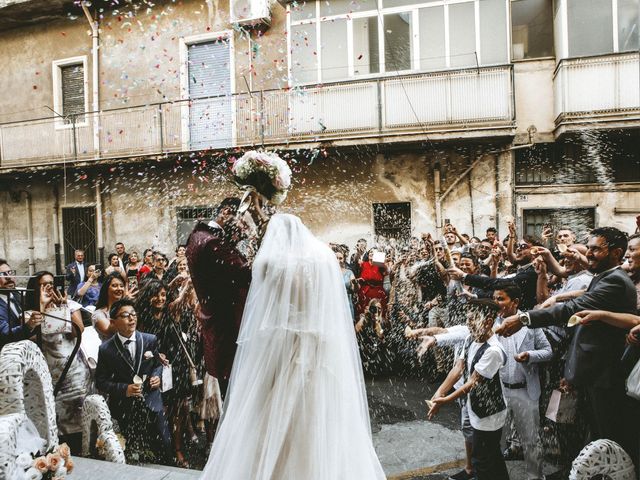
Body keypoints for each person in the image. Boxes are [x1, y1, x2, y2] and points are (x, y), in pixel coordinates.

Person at [200, 213, 385, 479]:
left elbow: (262, 300)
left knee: (274, 406)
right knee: (319, 407)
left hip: (283, 340)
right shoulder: (322, 259)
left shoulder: (271, 262)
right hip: (317, 340)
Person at [496, 227, 639, 470]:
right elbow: (575, 299)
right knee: (590, 434)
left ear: (616, 253)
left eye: (596, 249)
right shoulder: (605, 276)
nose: (589, 254)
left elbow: (572, 309)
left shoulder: (615, 280)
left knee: (608, 440)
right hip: (591, 373)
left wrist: (523, 319)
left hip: (604, 376)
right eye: (589, 247)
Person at [428, 299, 509, 480]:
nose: (469, 324)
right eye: (468, 319)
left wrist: (446, 400)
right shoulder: (470, 338)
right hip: (475, 407)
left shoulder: (493, 350)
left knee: (482, 460)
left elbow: (473, 381)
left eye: (473, 319)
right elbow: (458, 368)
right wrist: (439, 393)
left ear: (488, 321)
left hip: (489, 414)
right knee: (492, 456)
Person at [186, 197, 253, 397]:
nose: (245, 231)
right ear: (225, 213)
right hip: (229, 331)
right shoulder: (212, 243)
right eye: (243, 222)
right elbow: (247, 275)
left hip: (218, 328)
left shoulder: (198, 236)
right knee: (236, 398)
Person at [95, 298, 172, 464]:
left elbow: (157, 363)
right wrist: (124, 389)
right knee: (131, 453)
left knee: (164, 444)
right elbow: (101, 381)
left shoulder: (149, 339)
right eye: (125, 315)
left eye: (133, 314)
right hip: (124, 408)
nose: (132, 318)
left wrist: (156, 376)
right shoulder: (106, 349)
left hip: (151, 401)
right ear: (113, 322)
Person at [26, 271, 91, 451]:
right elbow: (30, 340)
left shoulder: (68, 305)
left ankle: (83, 451)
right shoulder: (30, 314)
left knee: (79, 417)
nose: (49, 287)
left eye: (51, 283)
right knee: (56, 420)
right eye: (44, 284)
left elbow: (78, 332)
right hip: (51, 375)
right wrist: (42, 308)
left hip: (74, 371)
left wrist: (63, 312)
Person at [0, 259, 41, 349]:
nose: (9, 277)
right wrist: (29, 326)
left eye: (10, 272)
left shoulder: (17, 294)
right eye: (2, 274)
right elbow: (5, 334)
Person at [92, 273, 127, 342]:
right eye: (114, 286)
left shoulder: (129, 308)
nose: (119, 289)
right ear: (106, 289)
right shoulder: (98, 314)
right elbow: (109, 331)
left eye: (121, 286)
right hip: (111, 351)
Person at [335, 249, 356, 319]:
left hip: (347, 302)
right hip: (334, 302)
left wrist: (355, 283)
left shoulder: (349, 272)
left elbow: (354, 289)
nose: (338, 260)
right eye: (336, 258)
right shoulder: (329, 272)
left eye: (340, 258)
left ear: (344, 259)